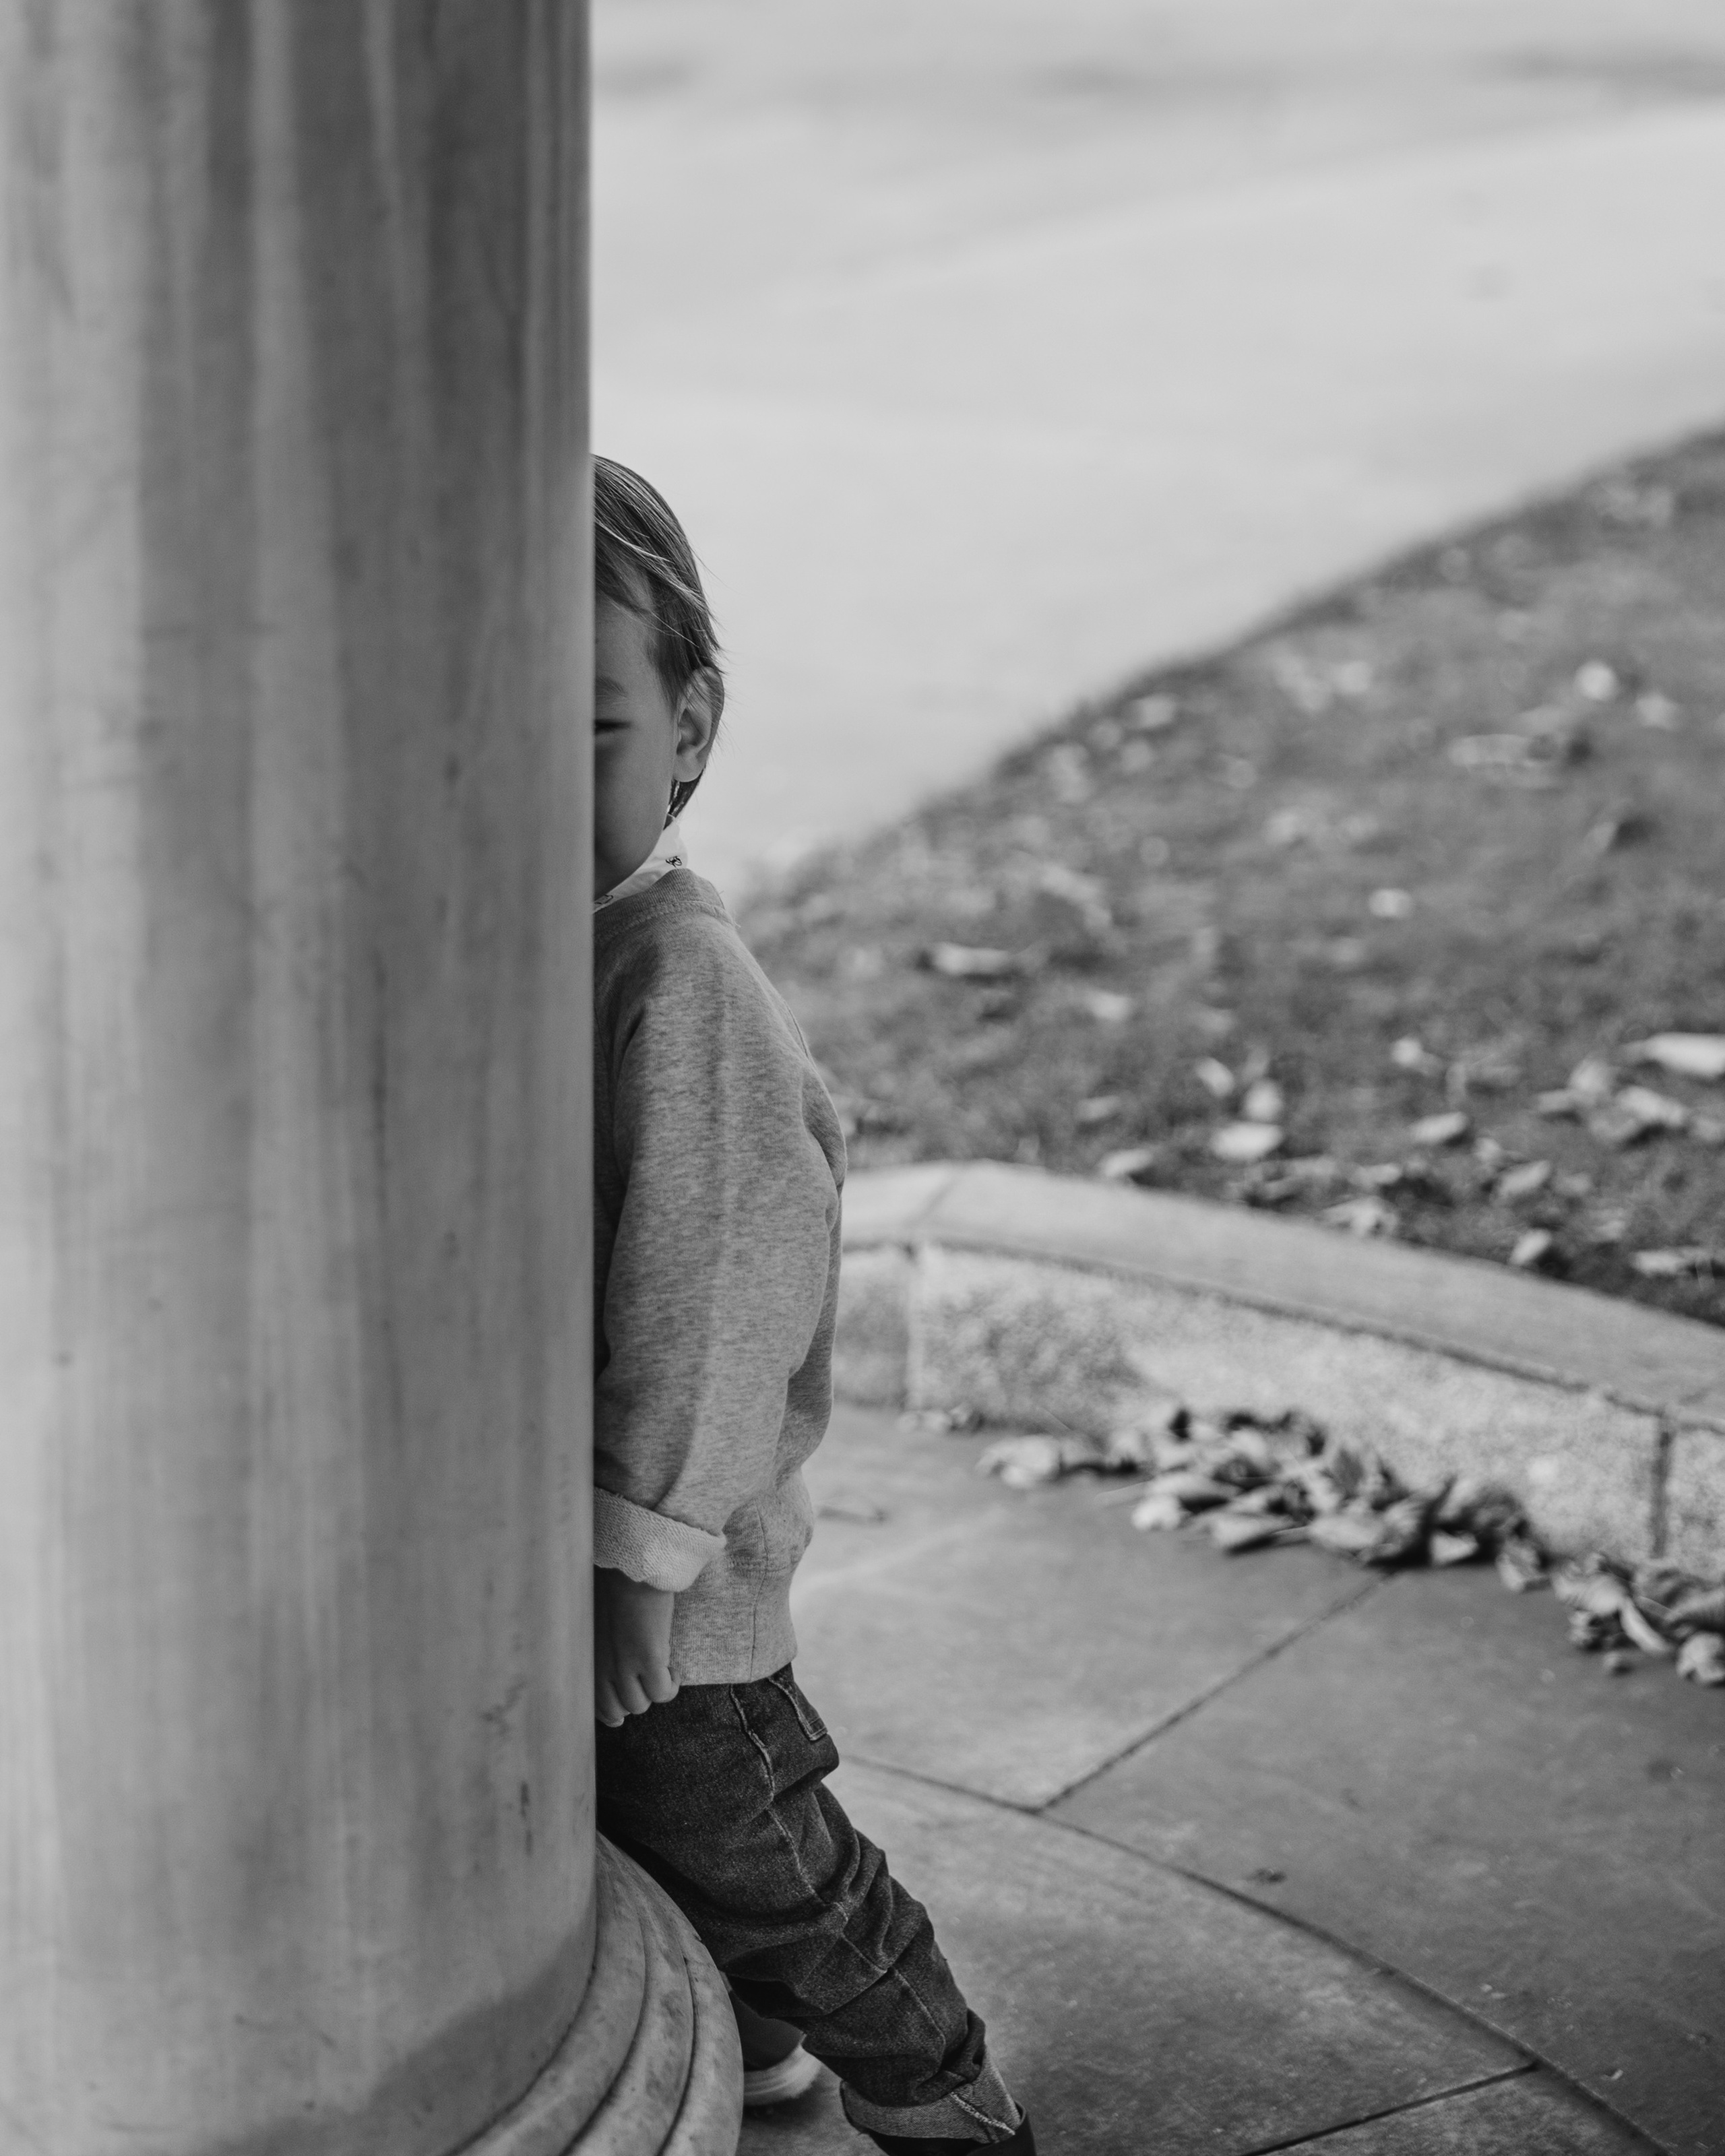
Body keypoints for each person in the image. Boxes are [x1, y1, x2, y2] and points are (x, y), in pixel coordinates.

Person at [588, 455, 1035, 2154]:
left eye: (589, 734)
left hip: (673, 1574)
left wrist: (636, 1555)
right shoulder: (554, 948)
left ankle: (937, 2082)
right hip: (618, 1540)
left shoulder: (681, 983)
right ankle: (760, 2047)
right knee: (661, 1845)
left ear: (688, 728)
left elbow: (717, 1302)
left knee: (759, 1852)